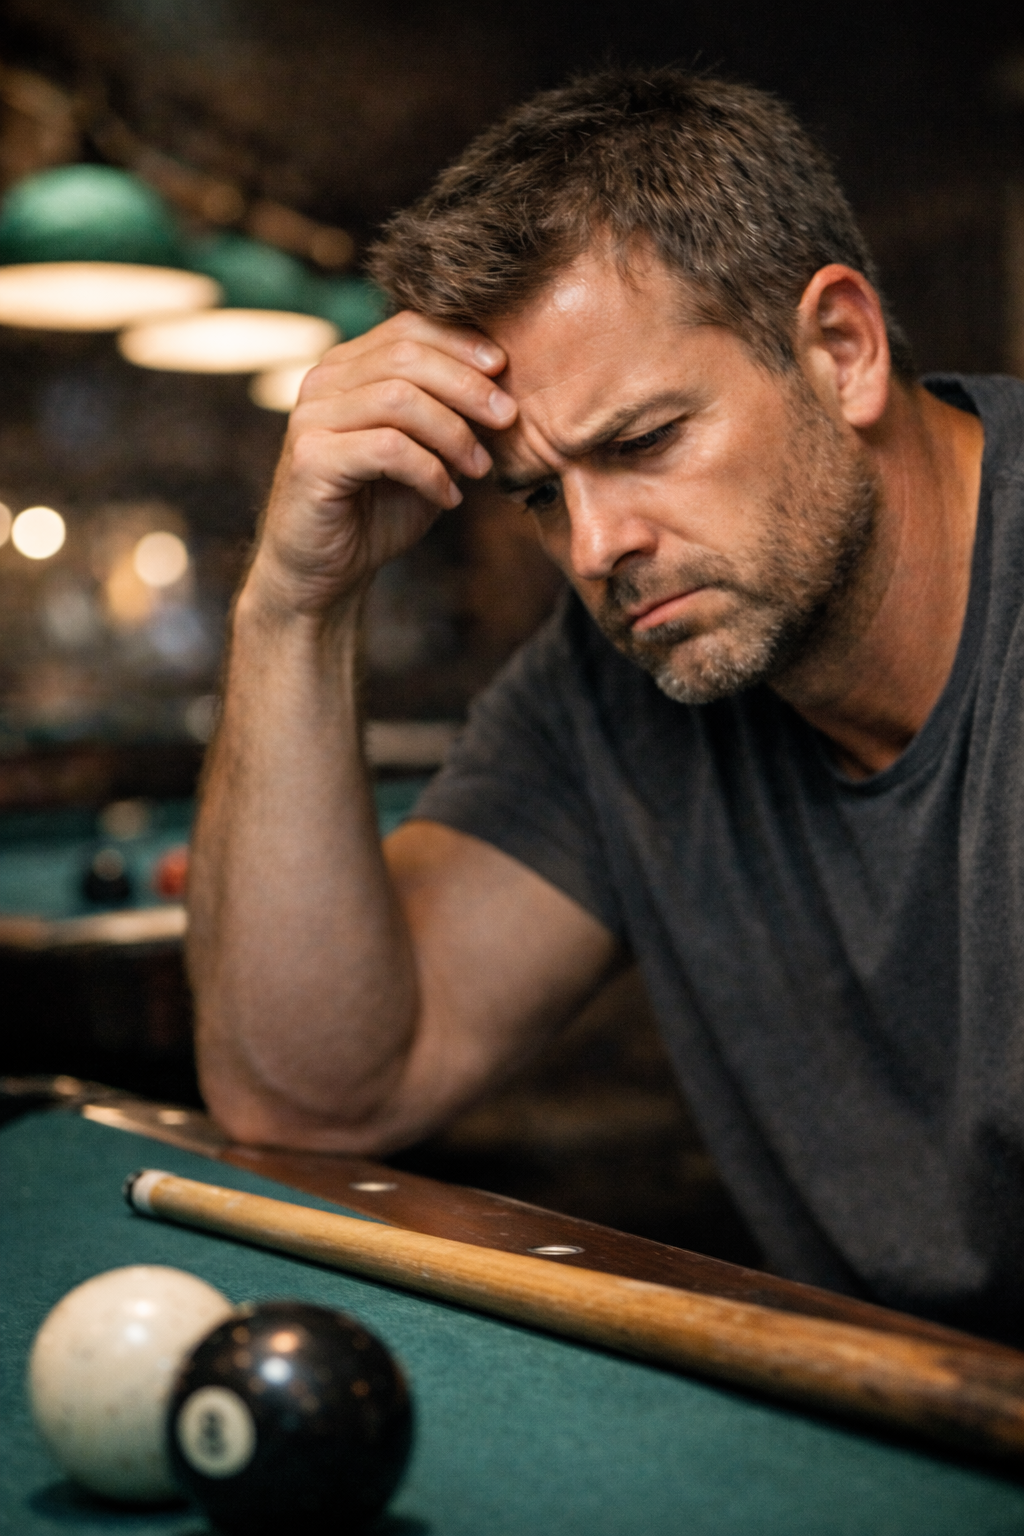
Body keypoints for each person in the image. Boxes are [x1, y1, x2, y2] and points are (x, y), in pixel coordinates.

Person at [187, 67, 1024, 1343]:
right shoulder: (616, 682)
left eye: (640, 442)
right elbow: (315, 1097)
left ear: (841, 350)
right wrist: (294, 604)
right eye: (536, 491)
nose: (591, 546)